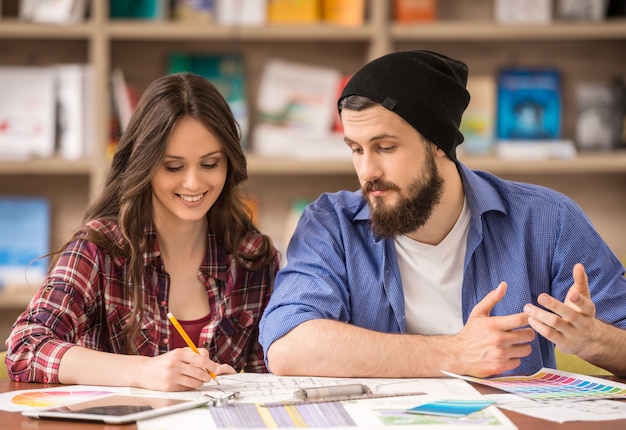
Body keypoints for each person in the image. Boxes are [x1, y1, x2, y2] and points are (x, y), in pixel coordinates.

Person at [259, 50, 626, 379]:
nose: (366, 170)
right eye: (356, 149)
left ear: (438, 144)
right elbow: (288, 345)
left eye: (385, 147)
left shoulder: (548, 220)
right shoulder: (330, 224)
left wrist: (593, 340)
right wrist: (455, 353)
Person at [5, 73, 279, 391]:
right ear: (145, 164)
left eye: (209, 164)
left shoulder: (253, 259)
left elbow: (272, 380)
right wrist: (142, 372)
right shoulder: (100, 249)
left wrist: (238, 387)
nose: (193, 183)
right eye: (173, 167)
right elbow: (24, 347)